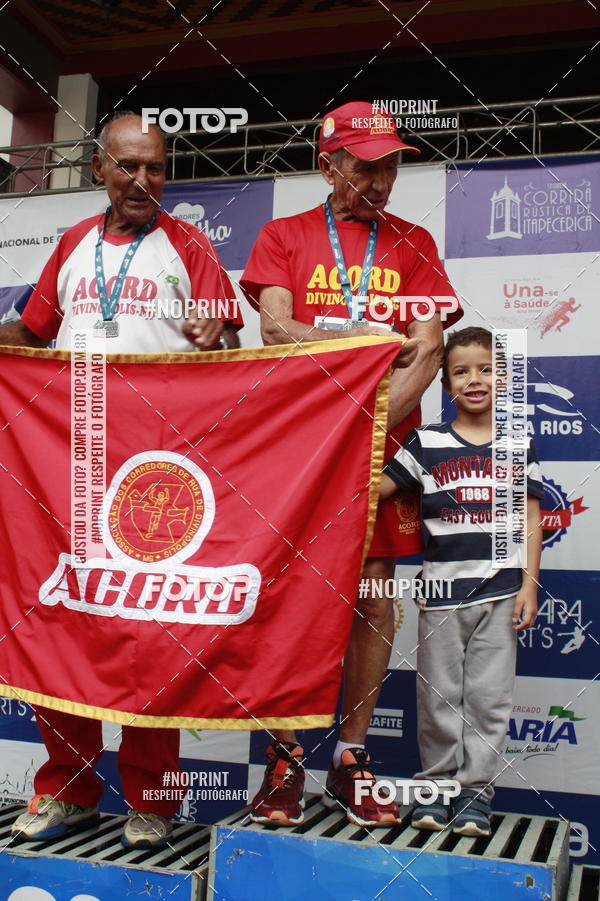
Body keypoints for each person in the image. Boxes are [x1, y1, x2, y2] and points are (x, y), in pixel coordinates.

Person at [2, 110, 242, 847]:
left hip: (153, 481)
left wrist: (218, 333)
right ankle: (68, 789)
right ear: (99, 168)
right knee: (61, 623)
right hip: (65, 468)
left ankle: (153, 801)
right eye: (130, 166)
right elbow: (32, 335)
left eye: (158, 167)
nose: (144, 181)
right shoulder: (73, 244)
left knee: (154, 638)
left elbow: (228, 344)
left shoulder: (190, 244)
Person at [240, 100, 462, 827]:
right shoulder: (285, 235)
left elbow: (427, 351)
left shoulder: (416, 242)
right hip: (300, 457)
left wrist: (357, 434)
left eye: (392, 164)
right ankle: (283, 758)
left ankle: (352, 760)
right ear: (327, 163)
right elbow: (274, 327)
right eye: (366, 164)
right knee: (293, 602)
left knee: (371, 598)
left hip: (379, 459)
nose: (382, 178)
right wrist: (365, 340)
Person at [379, 326, 543, 836]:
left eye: (487, 369)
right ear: (445, 384)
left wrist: (530, 584)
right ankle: (436, 787)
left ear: (504, 377)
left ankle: (475, 793)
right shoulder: (426, 442)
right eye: (462, 372)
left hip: (499, 593)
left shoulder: (517, 443)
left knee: (489, 699)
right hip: (441, 594)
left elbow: (531, 518)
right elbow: (379, 488)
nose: (475, 380)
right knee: (439, 697)